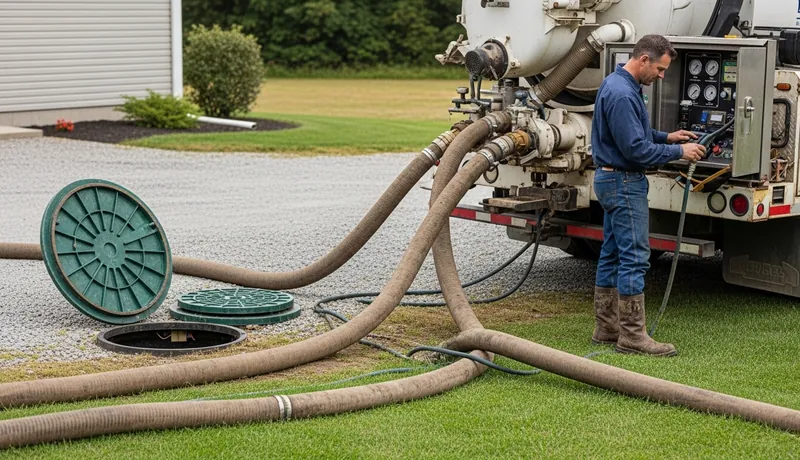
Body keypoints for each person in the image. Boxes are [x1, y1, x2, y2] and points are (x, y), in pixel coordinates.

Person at [589, 34, 706, 357]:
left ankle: (606, 327)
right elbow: (636, 150)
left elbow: (632, 134)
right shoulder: (624, 94)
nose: (661, 75)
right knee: (635, 256)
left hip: (611, 179)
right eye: (660, 68)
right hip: (625, 182)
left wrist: (666, 136)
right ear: (643, 60)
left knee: (612, 251)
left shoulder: (616, 84)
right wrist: (678, 150)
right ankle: (632, 336)